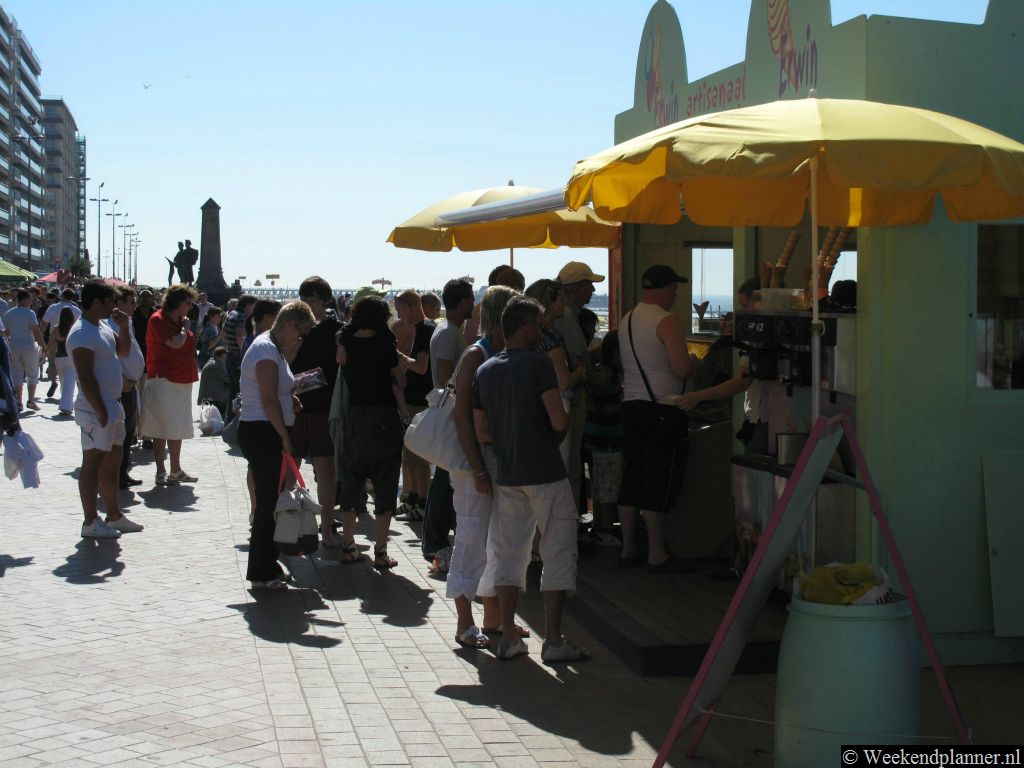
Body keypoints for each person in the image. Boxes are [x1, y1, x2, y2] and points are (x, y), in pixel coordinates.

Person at [473, 296, 589, 663]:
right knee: (557, 551)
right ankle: (554, 640)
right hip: (546, 472)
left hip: (508, 473)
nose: (541, 333)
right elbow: (557, 420)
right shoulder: (539, 363)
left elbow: (482, 430)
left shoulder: (486, 370)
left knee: (508, 553)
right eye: (537, 326)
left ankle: (508, 635)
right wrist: (559, 427)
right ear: (525, 327)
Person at [448, 285, 519, 648]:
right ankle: (464, 622)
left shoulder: (499, 351)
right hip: (471, 464)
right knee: (472, 538)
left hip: (489, 462)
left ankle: (491, 617)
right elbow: (462, 417)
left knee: (495, 542)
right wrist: (478, 469)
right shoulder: (477, 354)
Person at [618, 264, 695, 572]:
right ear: (666, 289)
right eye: (675, 289)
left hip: (632, 406)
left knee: (634, 475)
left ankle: (627, 549)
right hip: (663, 409)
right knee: (659, 478)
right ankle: (656, 552)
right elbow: (681, 369)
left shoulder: (627, 319)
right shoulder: (667, 321)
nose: (675, 294)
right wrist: (693, 362)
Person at [238, 301, 317, 589]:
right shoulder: (265, 351)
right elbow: (268, 400)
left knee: (272, 501)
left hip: (266, 429)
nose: (300, 339)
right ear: (288, 324)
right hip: (263, 432)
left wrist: (290, 401)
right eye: (300, 332)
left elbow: (275, 395)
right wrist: (284, 436)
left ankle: (267, 564)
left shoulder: (272, 348)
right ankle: (261, 571)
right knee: (269, 503)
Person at [67, 279, 144, 538]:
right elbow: (85, 376)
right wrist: (100, 410)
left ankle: (114, 516)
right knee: (92, 463)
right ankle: (90, 521)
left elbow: (121, 351)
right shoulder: (81, 333)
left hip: (113, 405)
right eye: (111, 300)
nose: (115, 305)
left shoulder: (100, 326)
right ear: (97, 301)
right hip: (95, 408)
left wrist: (123, 327)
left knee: (113, 460)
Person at [337, 295, 406, 569]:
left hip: (355, 416)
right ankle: (380, 551)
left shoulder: (348, 340)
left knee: (352, 479)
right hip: (384, 417)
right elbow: (397, 376)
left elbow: (342, 329)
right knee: (385, 480)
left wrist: (341, 342)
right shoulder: (385, 342)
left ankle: (349, 545)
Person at [676, 277, 767, 454]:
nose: (741, 313)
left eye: (745, 306)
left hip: (763, 420)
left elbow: (741, 381)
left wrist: (697, 396)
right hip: (761, 417)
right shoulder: (755, 338)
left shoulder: (758, 340)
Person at [420, 279, 475, 565]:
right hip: (451, 412)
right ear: (464, 301)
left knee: (443, 477)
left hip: (449, 411)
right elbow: (443, 377)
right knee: (444, 479)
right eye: (471, 299)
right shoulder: (451, 333)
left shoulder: (446, 329)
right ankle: (435, 541)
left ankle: (435, 538)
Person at [290, 276, 343, 548]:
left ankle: (328, 526)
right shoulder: (291, 329)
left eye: (313, 299)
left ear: (325, 301)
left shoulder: (335, 329)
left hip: (324, 407)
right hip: (296, 407)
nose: (309, 304)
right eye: (305, 299)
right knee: (291, 467)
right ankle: (286, 523)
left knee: (325, 468)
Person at [554, 261, 605, 508]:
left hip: (561, 399)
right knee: (571, 465)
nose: (593, 292)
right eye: (589, 286)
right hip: (570, 400)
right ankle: (569, 530)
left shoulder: (564, 315)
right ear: (574, 289)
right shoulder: (567, 317)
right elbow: (578, 362)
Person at [139, 284, 200, 486]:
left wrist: (184, 326)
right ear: (177, 302)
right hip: (163, 378)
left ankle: (175, 469)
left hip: (181, 378)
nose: (191, 306)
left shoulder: (178, 321)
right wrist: (186, 329)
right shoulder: (158, 320)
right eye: (188, 302)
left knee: (177, 426)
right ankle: (161, 470)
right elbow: (175, 343)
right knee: (161, 426)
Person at [524, 279, 587, 471]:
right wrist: (580, 372)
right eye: (560, 298)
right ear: (548, 303)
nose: (564, 303)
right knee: (561, 468)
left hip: (533, 406)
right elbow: (564, 381)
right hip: (556, 405)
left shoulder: (528, 334)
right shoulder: (549, 337)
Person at [392, 289, 433, 522]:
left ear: (409, 307)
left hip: (420, 401)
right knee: (411, 456)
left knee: (417, 457)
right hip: (414, 399)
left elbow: (421, 367)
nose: (398, 314)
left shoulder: (425, 330)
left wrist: (396, 354)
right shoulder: (421, 329)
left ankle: (421, 503)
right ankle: (413, 500)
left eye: (399, 309)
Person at [583, 330, 625, 546]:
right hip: (607, 440)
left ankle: (599, 526)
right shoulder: (607, 377)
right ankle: (606, 528)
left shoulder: (598, 372)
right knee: (609, 486)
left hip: (594, 438)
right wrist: (625, 403)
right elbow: (607, 410)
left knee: (599, 485)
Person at [108, 287, 147, 489]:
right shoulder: (112, 325)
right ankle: (117, 474)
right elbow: (113, 356)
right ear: (119, 303)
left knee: (129, 431)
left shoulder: (127, 323)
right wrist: (122, 378)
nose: (135, 306)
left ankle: (123, 471)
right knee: (121, 434)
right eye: (131, 302)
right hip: (121, 385)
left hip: (130, 384)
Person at [3, 290, 45, 410]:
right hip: (28, 346)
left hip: (13, 346)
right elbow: (35, 330)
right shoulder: (29, 313)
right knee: (32, 373)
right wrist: (43, 345)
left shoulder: (9, 313)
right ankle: (31, 400)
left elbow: (6, 332)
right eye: (30, 299)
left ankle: (19, 402)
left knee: (16, 374)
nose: (32, 301)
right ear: (25, 299)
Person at [45, 306, 78, 416]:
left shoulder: (56, 328)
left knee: (64, 382)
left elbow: (50, 344)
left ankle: (65, 403)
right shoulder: (75, 328)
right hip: (71, 358)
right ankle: (66, 406)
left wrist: (44, 352)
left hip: (59, 358)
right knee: (70, 383)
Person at [197, 346, 231, 420]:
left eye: (225, 358)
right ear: (216, 356)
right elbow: (228, 379)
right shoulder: (216, 365)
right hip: (213, 397)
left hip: (209, 396)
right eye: (223, 357)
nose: (224, 360)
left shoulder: (212, 362)